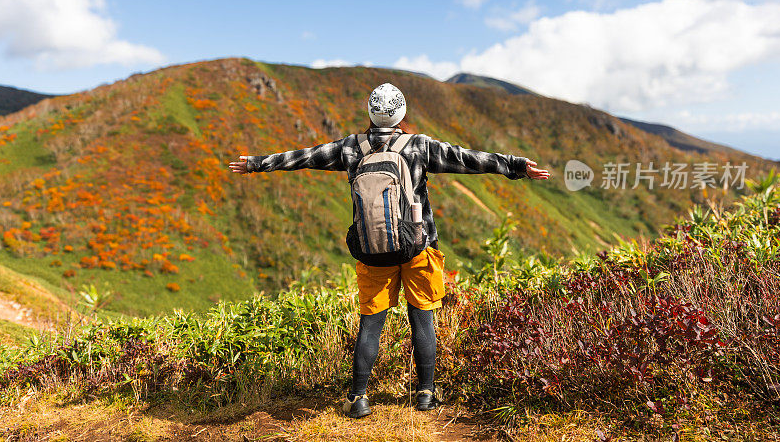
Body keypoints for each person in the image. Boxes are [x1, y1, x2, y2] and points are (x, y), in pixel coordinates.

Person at [229, 82, 550, 419]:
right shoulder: (418, 146)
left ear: (370, 113)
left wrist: (256, 164)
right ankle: (425, 394)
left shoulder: (351, 148)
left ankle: (358, 398)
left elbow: (304, 157)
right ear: (402, 113)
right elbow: (469, 159)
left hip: (371, 250)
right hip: (417, 247)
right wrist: (515, 166)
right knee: (422, 318)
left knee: (371, 324)